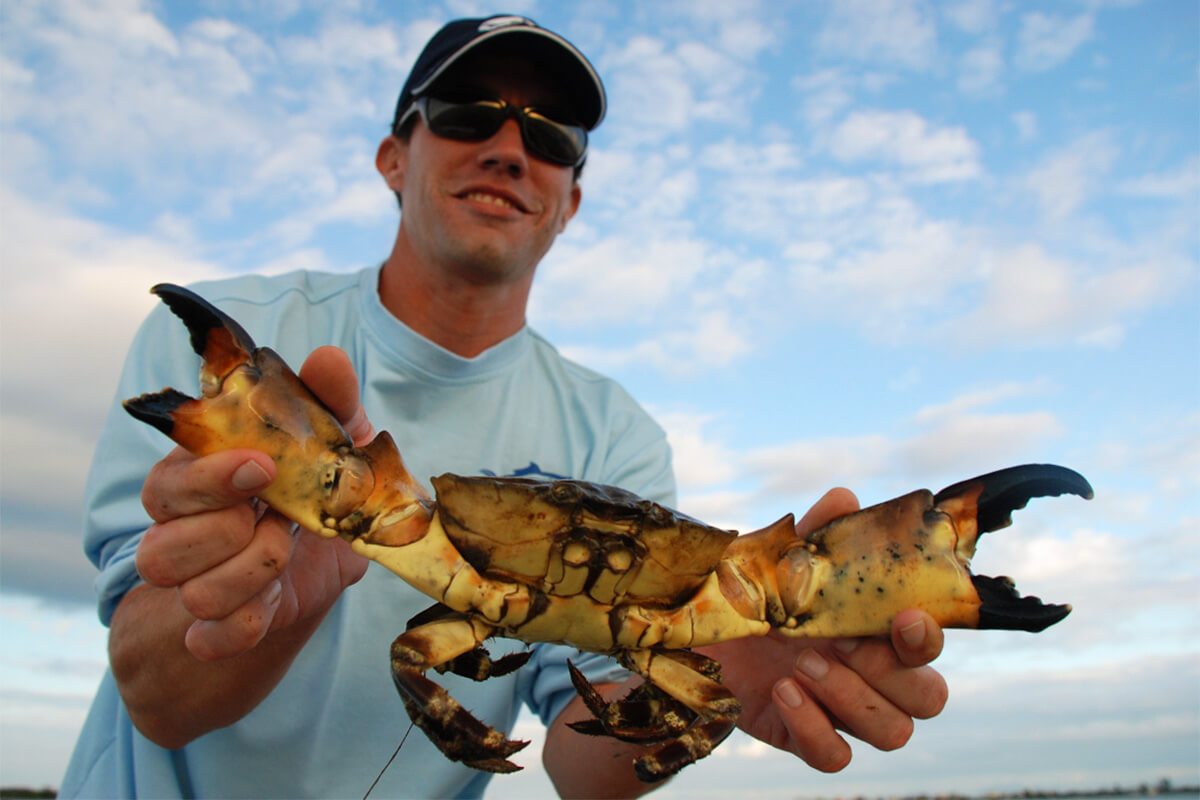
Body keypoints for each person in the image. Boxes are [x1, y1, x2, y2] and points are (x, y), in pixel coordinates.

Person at [61, 15, 948, 799]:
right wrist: (265, 602)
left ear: (571, 202)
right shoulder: (247, 365)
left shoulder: (615, 435)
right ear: (392, 157)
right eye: (465, 114)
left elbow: (580, 767)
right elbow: (158, 703)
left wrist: (717, 671)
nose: (509, 147)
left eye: (552, 135)